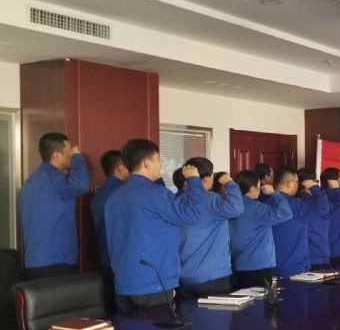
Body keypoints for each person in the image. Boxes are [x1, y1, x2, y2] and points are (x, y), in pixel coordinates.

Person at [105, 139, 204, 313]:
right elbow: (193, 214)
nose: (161, 165)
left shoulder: (113, 198)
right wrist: (194, 180)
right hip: (153, 284)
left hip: (123, 284)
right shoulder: (157, 195)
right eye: (158, 160)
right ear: (147, 162)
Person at [19, 132, 89, 279]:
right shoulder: (55, 179)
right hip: (55, 262)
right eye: (69, 151)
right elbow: (81, 184)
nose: (71, 154)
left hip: (35, 261)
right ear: (56, 155)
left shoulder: (31, 181)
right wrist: (77, 157)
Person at [178, 157, 243, 298]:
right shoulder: (210, 199)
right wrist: (228, 181)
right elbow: (237, 207)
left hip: (185, 276)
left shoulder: (178, 201)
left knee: (189, 312)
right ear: (207, 178)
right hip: (214, 277)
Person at [229, 170, 292, 288]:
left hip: (238, 266)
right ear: (252, 188)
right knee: (267, 299)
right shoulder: (257, 208)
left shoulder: (231, 207)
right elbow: (286, 213)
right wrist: (274, 193)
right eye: (259, 185)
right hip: (262, 267)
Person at [89, 150, 129, 313]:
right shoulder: (124, 194)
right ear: (120, 167)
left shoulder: (98, 195)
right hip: (123, 262)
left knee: (111, 311)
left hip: (105, 259)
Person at [272, 166, 330, 277]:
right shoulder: (297, 204)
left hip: (268, 266)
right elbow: (323, 208)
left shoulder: (265, 202)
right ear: (288, 184)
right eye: (296, 182)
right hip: (294, 266)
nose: (298, 185)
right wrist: (313, 187)